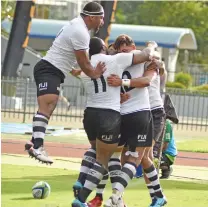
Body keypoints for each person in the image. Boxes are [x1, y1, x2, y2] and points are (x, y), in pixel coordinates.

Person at [71, 36, 159, 207]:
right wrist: (152, 46)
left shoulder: (86, 67)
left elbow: (74, 71)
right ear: (105, 48)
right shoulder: (117, 60)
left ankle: (85, 184)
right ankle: (108, 197)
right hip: (115, 114)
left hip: (91, 115)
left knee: (100, 152)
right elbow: (148, 58)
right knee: (122, 158)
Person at [24, 1, 106, 164]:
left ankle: (35, 142)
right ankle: (38, 146)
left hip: (51, 69)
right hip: (49, 69)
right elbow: (83, 62)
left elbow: (73, 60)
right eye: (101, 18)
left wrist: (80, 71)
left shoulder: (77, 25)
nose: (102, 22)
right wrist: (95, 74)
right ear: (91, 17)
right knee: (48, 104)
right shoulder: (80, 31)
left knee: (49, 105)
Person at [102, 35, 167, 207]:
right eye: (118, 51)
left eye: (125, 50)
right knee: (132, 156)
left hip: (152, 111)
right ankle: (155, 196)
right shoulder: (119, 63)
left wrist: (153, 47)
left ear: (132, 47)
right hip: (134, 112)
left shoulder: (144, 58)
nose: (121, 54)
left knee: (142, 156)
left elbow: (150, 72)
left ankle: (120, 197)